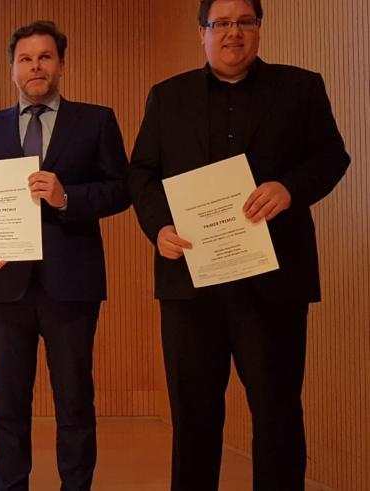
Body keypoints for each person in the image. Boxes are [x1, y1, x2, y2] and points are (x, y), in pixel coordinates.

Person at [127, 1, 350, 489]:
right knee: (194, 420)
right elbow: (141, 172)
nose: (233, 33)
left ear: (259, 28)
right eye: (221, 23)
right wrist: (158, 227)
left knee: (277, 417)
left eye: (244, 22)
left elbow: (333, 155)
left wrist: (290, 188)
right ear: (202, 33)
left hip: (273, 284)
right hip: (190, 283)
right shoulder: (167, 96)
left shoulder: (301, 87)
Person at [0, 20, 130, 491]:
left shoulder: (96, 120)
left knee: (75, 403)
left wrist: (66, 198)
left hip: (71, 285)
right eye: (25, 59)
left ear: (60, 63)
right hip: (5, 286)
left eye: (44, 57)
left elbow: (121, 190)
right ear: (12, 68)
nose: (35, 67)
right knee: (9, 406)